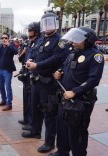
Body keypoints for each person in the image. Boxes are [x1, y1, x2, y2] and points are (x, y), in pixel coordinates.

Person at [49, 27, 104, 156]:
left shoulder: (95, 56)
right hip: (65, 97)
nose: (73, 42)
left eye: (77, 39)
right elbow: (65, 69)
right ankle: (62, 151)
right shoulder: (73, 52)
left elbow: (93, 80)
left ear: (88, 40)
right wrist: (58, 73)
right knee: (61, 126)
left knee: (77, 130)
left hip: (80, 100)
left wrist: (75, 91)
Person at [23, 12, 70, 153]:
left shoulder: (60, 41)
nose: (48, 26)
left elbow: (56, 59)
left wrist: (37, 65)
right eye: (45, 23)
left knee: (49, 113)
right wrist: (30, 60)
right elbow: (33, 52)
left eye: (50, 22)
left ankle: (49, 142)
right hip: (37, 81)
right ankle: (35, 130)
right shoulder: (42, 38)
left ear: (55, 23)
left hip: (49, 83)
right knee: (35, 108)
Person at [17, 22, 41, 131]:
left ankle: (32, 122)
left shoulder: (39, 42)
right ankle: (27, 118)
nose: (28, 32)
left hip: (33, 74)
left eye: (30, 30)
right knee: (26, 99)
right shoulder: (29, 43)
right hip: (26, 73)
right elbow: (23, 58)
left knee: (32, 101)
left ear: (35, 31)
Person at [0, 33, 18, 111]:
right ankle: (3, 100)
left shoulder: (11, 46)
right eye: (2, 38)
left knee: (8, 86)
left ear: (8, 39)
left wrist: (9, 45)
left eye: (5, 38)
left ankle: (9, 104)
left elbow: (16, 52)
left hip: (7, 70)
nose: (4, 39)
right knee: (1, 86)